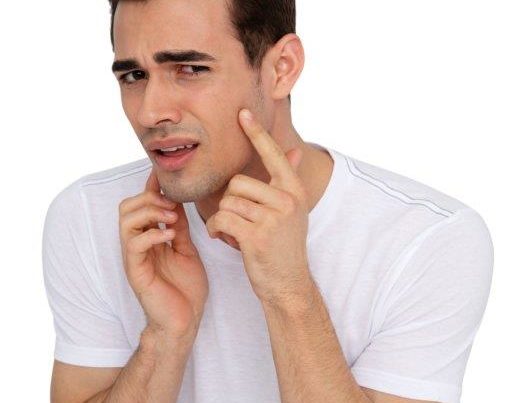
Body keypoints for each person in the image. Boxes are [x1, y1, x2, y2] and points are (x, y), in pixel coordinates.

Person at [42, 0, 494, 402]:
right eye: (134, 76)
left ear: (282, 68)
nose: (150, 111)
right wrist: (165, 337)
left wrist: (290, 294)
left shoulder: (428, 239)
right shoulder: (91, 216)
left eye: (190, 69)